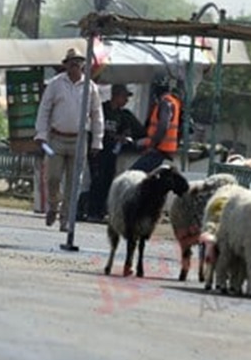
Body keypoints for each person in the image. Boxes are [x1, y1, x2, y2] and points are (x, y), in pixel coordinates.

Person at [34, 48, 104, 230]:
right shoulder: (55, 84)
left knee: (74, 182)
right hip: (56, 138)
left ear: (83, 65)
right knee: (53, 177)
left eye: (78, 62)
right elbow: (44, 110)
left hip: (79, 140)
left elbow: (97, 115)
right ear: (65, 65)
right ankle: (52, 205)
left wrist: (97, 140)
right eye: (71, 62)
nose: (74, 65)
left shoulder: (90, 87)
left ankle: (65, 218)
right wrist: (41, 134)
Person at [83, 83, 144, 223]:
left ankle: (101, 211)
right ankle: (92, 211)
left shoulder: (122, 115)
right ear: (116, 96)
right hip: (98, 150)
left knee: (107, 181)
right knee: (96, 180)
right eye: (124, 97)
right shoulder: (102, 109)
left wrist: (124, 136)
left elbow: (136, 131)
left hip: (111, 153)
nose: (126, 101)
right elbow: (93, 127)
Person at [130, 73, 182, 173]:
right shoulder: (174, 101)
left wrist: (151, 145)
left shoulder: (165, 103)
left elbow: (163, 126)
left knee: (133, 175)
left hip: (159, 150)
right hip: (165, 150)